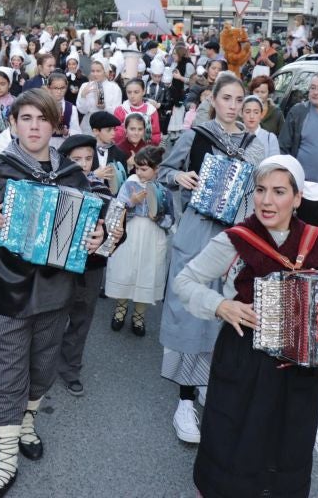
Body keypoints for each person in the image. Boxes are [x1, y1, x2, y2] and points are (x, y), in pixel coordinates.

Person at [174, 155, 318, 498]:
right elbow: (186, 281)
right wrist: (221, 305)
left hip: (300, 366)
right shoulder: (235, 239)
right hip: (244, 357)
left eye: (279, 191)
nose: (267, 201)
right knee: (234, 435)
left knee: (289, 441)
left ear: (298, 198)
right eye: (260, 190)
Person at [0, 89, 105, 497]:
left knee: (43, 367)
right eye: (26, 118)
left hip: (56, 290)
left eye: (42, 119)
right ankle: (6, 457)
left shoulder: (72, 173)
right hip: (7, 291)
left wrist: (100, 234)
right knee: (8, 373)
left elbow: (95, 223)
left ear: (55, 125)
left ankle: (27, 421)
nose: (34, 126)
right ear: (13, 124)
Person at [157, 71, 265, 444]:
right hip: (198, 231)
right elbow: (163, 172)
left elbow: (260, 191)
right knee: (191, 311)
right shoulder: (196, 136)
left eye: (240, 100)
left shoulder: (256, 145)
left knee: (223, 314)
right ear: (214, 101)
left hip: (236, 236)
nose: (234, 107)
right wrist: (179, 179)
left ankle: (203, 381)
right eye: (227, 99)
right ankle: (183, 401)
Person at [56, 134, 119, 396]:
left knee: (81, 318)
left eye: (88, 158)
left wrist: (106, 236)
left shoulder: (102, 190)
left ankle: (71, 368)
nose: (83, 164)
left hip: (90, 267)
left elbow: (117, 230)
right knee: (50, 317)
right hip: (56, 266)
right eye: (76, 159)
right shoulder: (54, 186)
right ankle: (41, 363)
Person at [106, 146, 173, 336]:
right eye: (137, 168)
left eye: (144, 169)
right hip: (131, 232)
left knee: (147, 271)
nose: (139, 173)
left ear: (156, 169)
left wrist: (158, 218)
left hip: (152, 235)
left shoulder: (163, 190)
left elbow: (170, 219)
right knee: (126, 269)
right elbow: (116, 211)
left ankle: (139, 315)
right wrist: (132, 203)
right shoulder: (129, 184)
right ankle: (120, 309)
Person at [76, 61, 123, 133]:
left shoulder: (114, 88)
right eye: (93, 71)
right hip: (88, 127)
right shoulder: (85, 86)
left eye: (98, 71)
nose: (95, 74)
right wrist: (83, 96)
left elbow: (117, 112)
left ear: (105, 71)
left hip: (106, 127)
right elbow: (82, 110)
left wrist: (105, 107)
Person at [114, 79, 161, 147]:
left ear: (143, 91)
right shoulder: (120, 110)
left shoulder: (151, 110)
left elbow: (156, 134)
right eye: (129, 92)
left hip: (145, 149)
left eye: (136, 92)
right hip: (124, 149)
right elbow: (115, 135)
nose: (132, 96)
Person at [45, 72, 81, 149]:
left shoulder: (71, 108)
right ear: (48, 88)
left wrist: (67, 132)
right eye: (55, 88)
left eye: (62, 88)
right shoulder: (43, 106)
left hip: (64, 146)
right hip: (45, 145)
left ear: (66, 87)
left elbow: (77, 131)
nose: (59, 91)